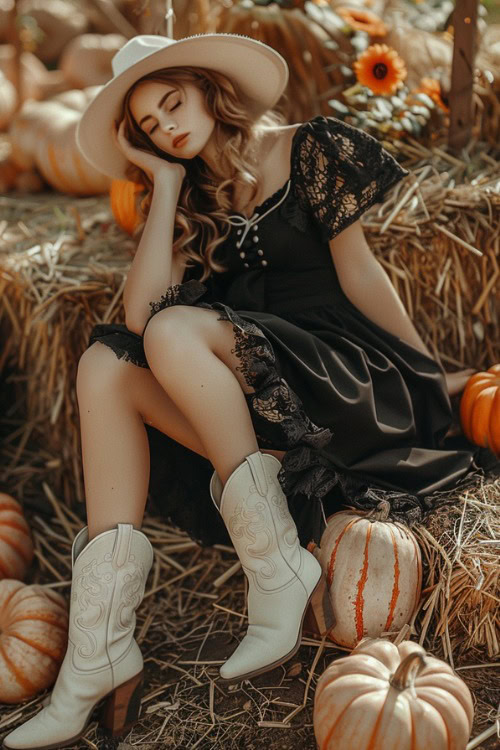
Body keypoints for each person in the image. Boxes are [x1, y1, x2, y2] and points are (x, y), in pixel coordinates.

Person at [2, 32, 484, 750]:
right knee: (106, 363)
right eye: (152, 126)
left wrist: (420, 373)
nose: (168, 126)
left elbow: (360, 275)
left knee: (172, 333)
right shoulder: (190, 195)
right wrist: (164, 186)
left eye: (173, 102)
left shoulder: (306, 148)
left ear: (207, 88)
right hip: (260, 410)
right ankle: (98, 654)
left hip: (340, 377)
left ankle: (278, 570)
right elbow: (137, 316)